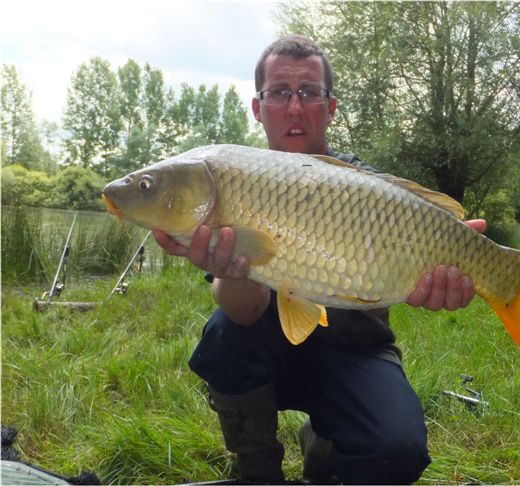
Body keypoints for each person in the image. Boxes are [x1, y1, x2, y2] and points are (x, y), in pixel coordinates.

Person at [154, 35, 486, 484]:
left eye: (309, 92)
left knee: (399, 450)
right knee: (222, 335)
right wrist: (234, 271)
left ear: (330, 108)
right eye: (279, 93)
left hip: (355, 347)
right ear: (258, 108)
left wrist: (455, 272)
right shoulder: (232, 184)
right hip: (266, 346)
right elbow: (243, 310)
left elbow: (404, 273)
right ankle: (258, 469)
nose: (294, 108)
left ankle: (326, 449)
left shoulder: (364, 186)